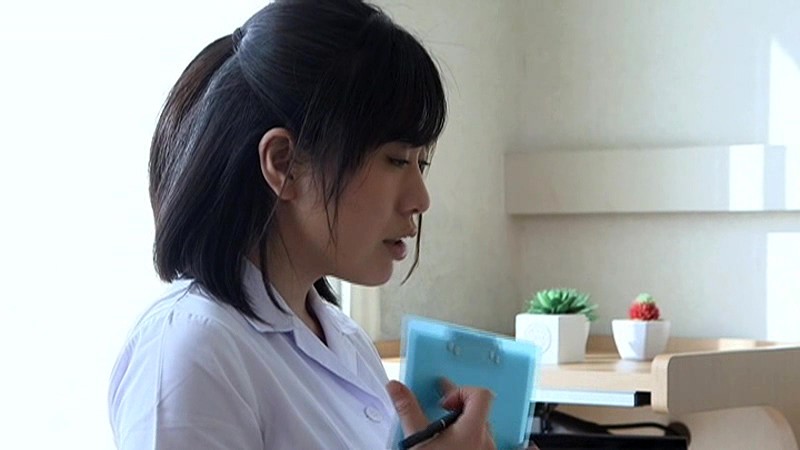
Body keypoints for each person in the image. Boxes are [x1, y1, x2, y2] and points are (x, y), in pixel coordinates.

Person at [108, 0, 515, 448]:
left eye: (422, 163)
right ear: (284, 164)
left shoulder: (345, 340)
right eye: (397, 160)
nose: (420, 199)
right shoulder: (189, 350)